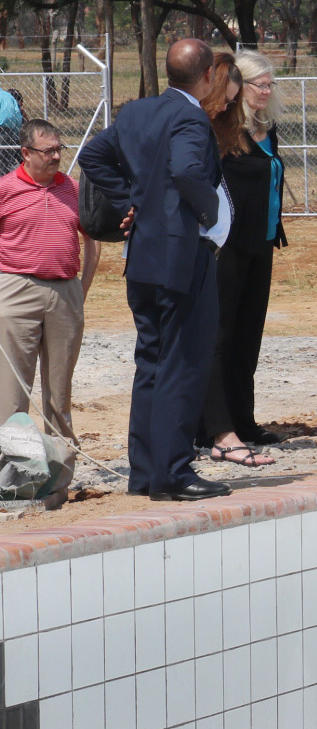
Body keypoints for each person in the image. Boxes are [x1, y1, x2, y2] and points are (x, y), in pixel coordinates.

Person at [76, 39, 233, 501]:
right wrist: (210, 214)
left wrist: (131, 203)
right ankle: (174, 473)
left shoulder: (137, 112)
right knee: (182, 363)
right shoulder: (190, 117)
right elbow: (186, 172)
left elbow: (91, 157)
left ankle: (145, 472)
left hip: (143, 256)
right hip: (182, 256)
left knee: (151, 362)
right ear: (207, 77)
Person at [199, 50, 285, 468]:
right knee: (221, 334)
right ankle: (214, 425)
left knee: (249, 335)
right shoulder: (220, 131)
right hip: (226, 247)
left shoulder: (268, 129)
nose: (266, 91)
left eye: (271, 84)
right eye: (259, 84)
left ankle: (243, 418)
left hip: (261, 244)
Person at [0, 119, 98, 447]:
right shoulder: (5, 189)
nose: (56, 156)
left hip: (65, 292)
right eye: (48, 151)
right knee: (12, 394)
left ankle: (59, 481)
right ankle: (13, 479)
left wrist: (81, 288)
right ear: (26, 153)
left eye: (59, 149)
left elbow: (92, 238)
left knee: (59, 395)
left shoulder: (72, 188)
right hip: (16, 290)